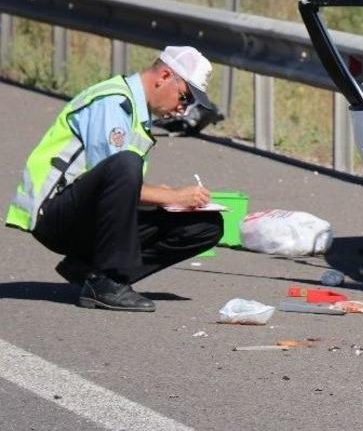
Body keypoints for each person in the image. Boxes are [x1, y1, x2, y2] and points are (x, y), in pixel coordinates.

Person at [6, 46, 224, 312]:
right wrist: (174, 196)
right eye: (185, 97)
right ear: (164, 76)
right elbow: (115, 173)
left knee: (205, 226)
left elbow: (119, 189)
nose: (184, 109)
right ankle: (108, 280)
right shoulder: (113, 101)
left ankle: (89, 269)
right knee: (127, 163)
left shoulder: (136, 110)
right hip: (53, 213)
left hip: (85, 213)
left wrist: (167, 198)